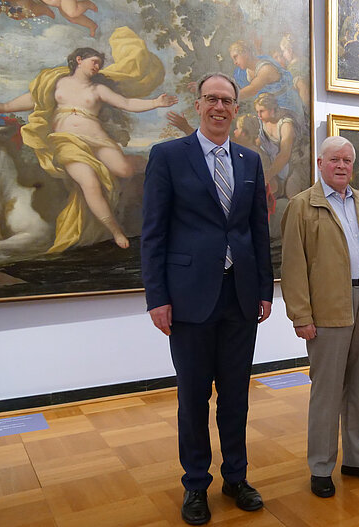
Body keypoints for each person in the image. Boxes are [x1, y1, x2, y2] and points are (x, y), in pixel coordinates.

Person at [141, 72, 273, 526]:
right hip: (189, 299)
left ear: (237, 109)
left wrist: (264, 288)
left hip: (239, 298)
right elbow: (154, 233)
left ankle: (235, 477)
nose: (220, 107)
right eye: (212, 99)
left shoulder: (249, 161)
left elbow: (257, 230)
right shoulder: (167, 156)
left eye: (228, 101)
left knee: (236, 396)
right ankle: (195, 484)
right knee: (193, 398)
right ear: (198, 105)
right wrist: (156, 297)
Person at [0, 28, 177, 252]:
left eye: (99, 64)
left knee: (125, 170)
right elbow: (33, 98)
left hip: (97, 138)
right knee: (90, 183)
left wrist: (155, 103)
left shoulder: (99, 89)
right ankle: (115, 231)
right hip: (67, 141)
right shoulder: (57, 82)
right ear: (79, 60)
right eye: (94, 61)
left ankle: (148, 164)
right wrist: (4, 107)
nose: (97, 66)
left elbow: (126, 104)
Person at [281, 136, 359, 498]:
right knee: (327, 392)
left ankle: (357, 458)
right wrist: (300, 315)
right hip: (328, 308)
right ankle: (321, 466)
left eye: (346, 160)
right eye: (334, 159)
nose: (341, 165)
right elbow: (293, 266)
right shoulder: (302, 206)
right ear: (319, 163)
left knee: (358, 386)